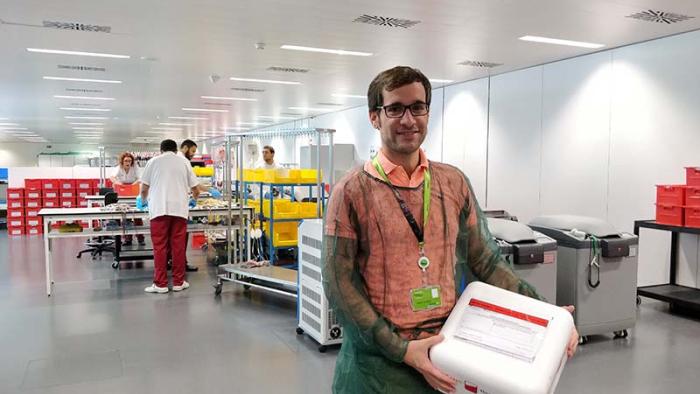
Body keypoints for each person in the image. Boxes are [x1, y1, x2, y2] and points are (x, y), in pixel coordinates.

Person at [322, 66, 579, 394]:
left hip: (446, 356)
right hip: (378, 370)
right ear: (375, 117)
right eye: (395, 109)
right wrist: (402, 350)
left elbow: (486, 261)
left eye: (418, 107)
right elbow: (339, 284)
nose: (408, 119)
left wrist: (551, 315)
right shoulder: (352, 191)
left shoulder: (452, 182)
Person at [139, 139, 200, 294]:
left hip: (159, 210)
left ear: (161, 150)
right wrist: (194, 200)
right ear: (175, 150)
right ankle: (179, 282)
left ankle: (161, 284)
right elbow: (196, 189)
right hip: (179, 210)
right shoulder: (184, 162)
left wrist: (144, 201)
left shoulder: (153, 162)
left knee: (160, 247)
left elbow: (144, 188)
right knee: (178, 247)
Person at [110, 151, 144, 246]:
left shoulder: (135, 168)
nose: (127, 162)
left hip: (133, 190)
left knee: (137, 215)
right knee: (125, 217)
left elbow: (140, 178)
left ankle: (140, 238)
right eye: (126, 161)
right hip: (122, 191)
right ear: (122, 161)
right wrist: (117, 182)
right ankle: (127, 239)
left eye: (129, 160)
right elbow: (112, 177)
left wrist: (134, 183)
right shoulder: (118, 168)